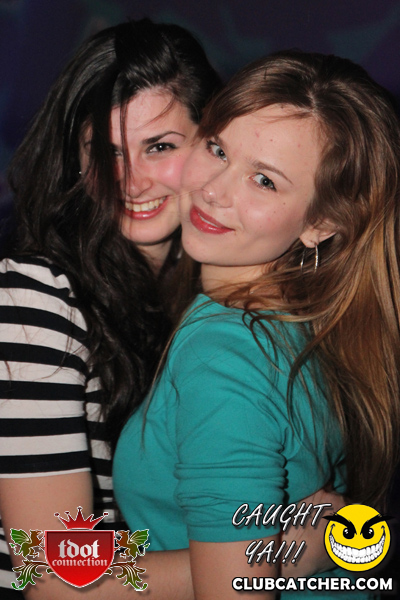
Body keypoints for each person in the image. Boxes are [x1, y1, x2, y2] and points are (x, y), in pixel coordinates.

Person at [113, 50, 400, 599]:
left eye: (264, 180)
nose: (214, 189)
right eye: (218, 149)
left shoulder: (225, 351)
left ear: (321, 223)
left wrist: (54, 580)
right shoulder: (303, 320)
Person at [0, 18, 220, 598]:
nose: (132, 181)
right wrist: (262, 557)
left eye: (160, 147)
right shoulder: (35, 294)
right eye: (106, 151)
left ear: (214, 146)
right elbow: (53, 576)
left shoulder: (209, 295)